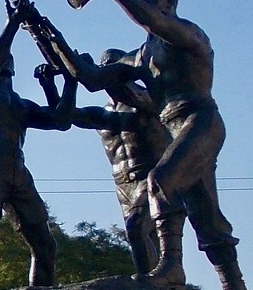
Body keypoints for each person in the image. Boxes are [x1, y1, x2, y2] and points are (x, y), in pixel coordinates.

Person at [38, 0, 253, 290]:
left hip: (200, 120)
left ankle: (172, 266)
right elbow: (92, 78)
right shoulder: (142, 56)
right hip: (175, 130)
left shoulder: (188, 34)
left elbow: (151, 20)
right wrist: (50, 38)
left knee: (159, 181)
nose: (143, 0)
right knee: (206, 215)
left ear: (169, 3)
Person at [0, 0, 76, 290]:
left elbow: (61, 121)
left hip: (17, 167)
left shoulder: (20, 104)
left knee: (44, 244)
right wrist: (13, 22)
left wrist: (62, 82)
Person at [38, 53, 167, 275]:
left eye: (110, 68)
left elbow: (130, 95)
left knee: (140, 228)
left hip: (152, 176)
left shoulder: (146, 98)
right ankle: (154, 287)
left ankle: (153, 287)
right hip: (123, 184)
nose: (106, 71)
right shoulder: (106, 112)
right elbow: (66, 117)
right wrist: (58, 84)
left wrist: (85, 72)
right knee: (139, 236)